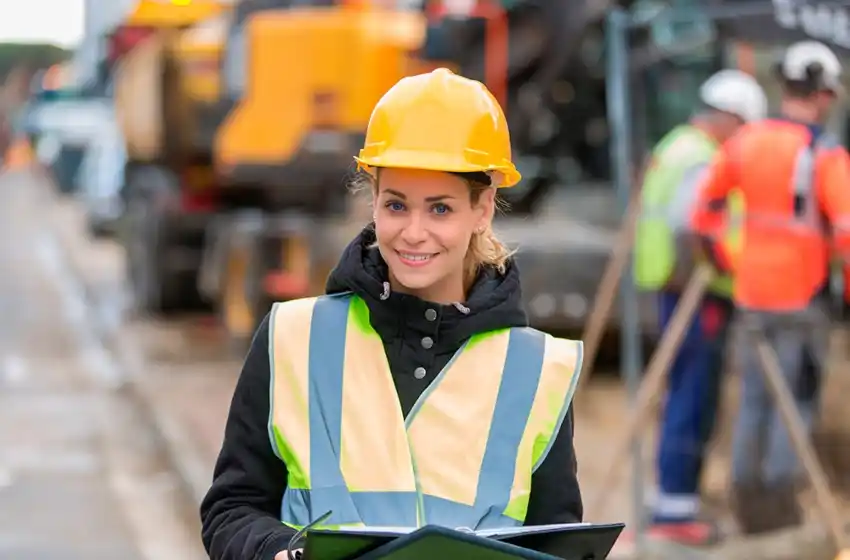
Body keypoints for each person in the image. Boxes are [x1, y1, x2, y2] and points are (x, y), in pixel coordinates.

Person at [200, 68, 585, 560]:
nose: (414, 232)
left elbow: (557, 547)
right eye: (396, 205)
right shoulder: (292, 338)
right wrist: (277, 552)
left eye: (440, 209)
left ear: (482, 209)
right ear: (373, 201)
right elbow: (232, 509)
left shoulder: (538, 372)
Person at [691, 41, 850, 535]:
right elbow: (846, 232)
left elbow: (704, 215)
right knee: (795, 400)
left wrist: (733, 263)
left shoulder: (747, 142)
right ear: (824, 95)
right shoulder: (825, 154)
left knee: (755, 398)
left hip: (752, 295)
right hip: (803, 299)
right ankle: (779, 510)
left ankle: (746, 503)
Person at [632, 69, 767, 545]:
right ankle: (675, 509)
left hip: (674, 284)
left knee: (681, 393)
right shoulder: (704, 156)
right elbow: (693, 226)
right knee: (693, 395)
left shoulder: (676, 144)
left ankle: (668, 498)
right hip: (695, 288)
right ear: (729, 118)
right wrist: (718, 271)